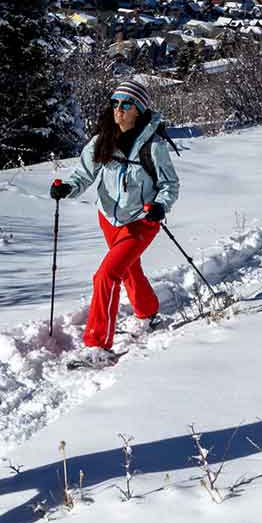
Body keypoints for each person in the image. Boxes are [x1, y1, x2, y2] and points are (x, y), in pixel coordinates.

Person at [48, 79, 181, 366]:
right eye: (115, 103)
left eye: (126, 104)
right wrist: (67, 188)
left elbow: (170, 184)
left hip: (142, 220)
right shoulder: (102, 141)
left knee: (106, 275)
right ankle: (147, 313)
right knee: (129, 268)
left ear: (139, 110)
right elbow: (82, 175)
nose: (118, 110)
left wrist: (160, 206)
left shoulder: (153, 146)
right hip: (109, 217)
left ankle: (98, 346)